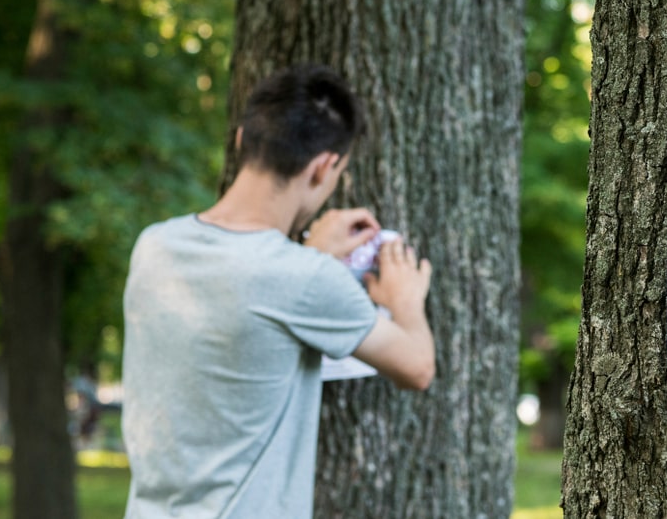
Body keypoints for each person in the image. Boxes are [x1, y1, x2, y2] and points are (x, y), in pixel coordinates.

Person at [121, 64, 435, 519]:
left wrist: (311, 256)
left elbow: (246, 301)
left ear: (242, 138)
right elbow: (417, 368)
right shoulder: (302, 279)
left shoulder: (154, 246)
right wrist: (404, 299)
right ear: (324, 167)